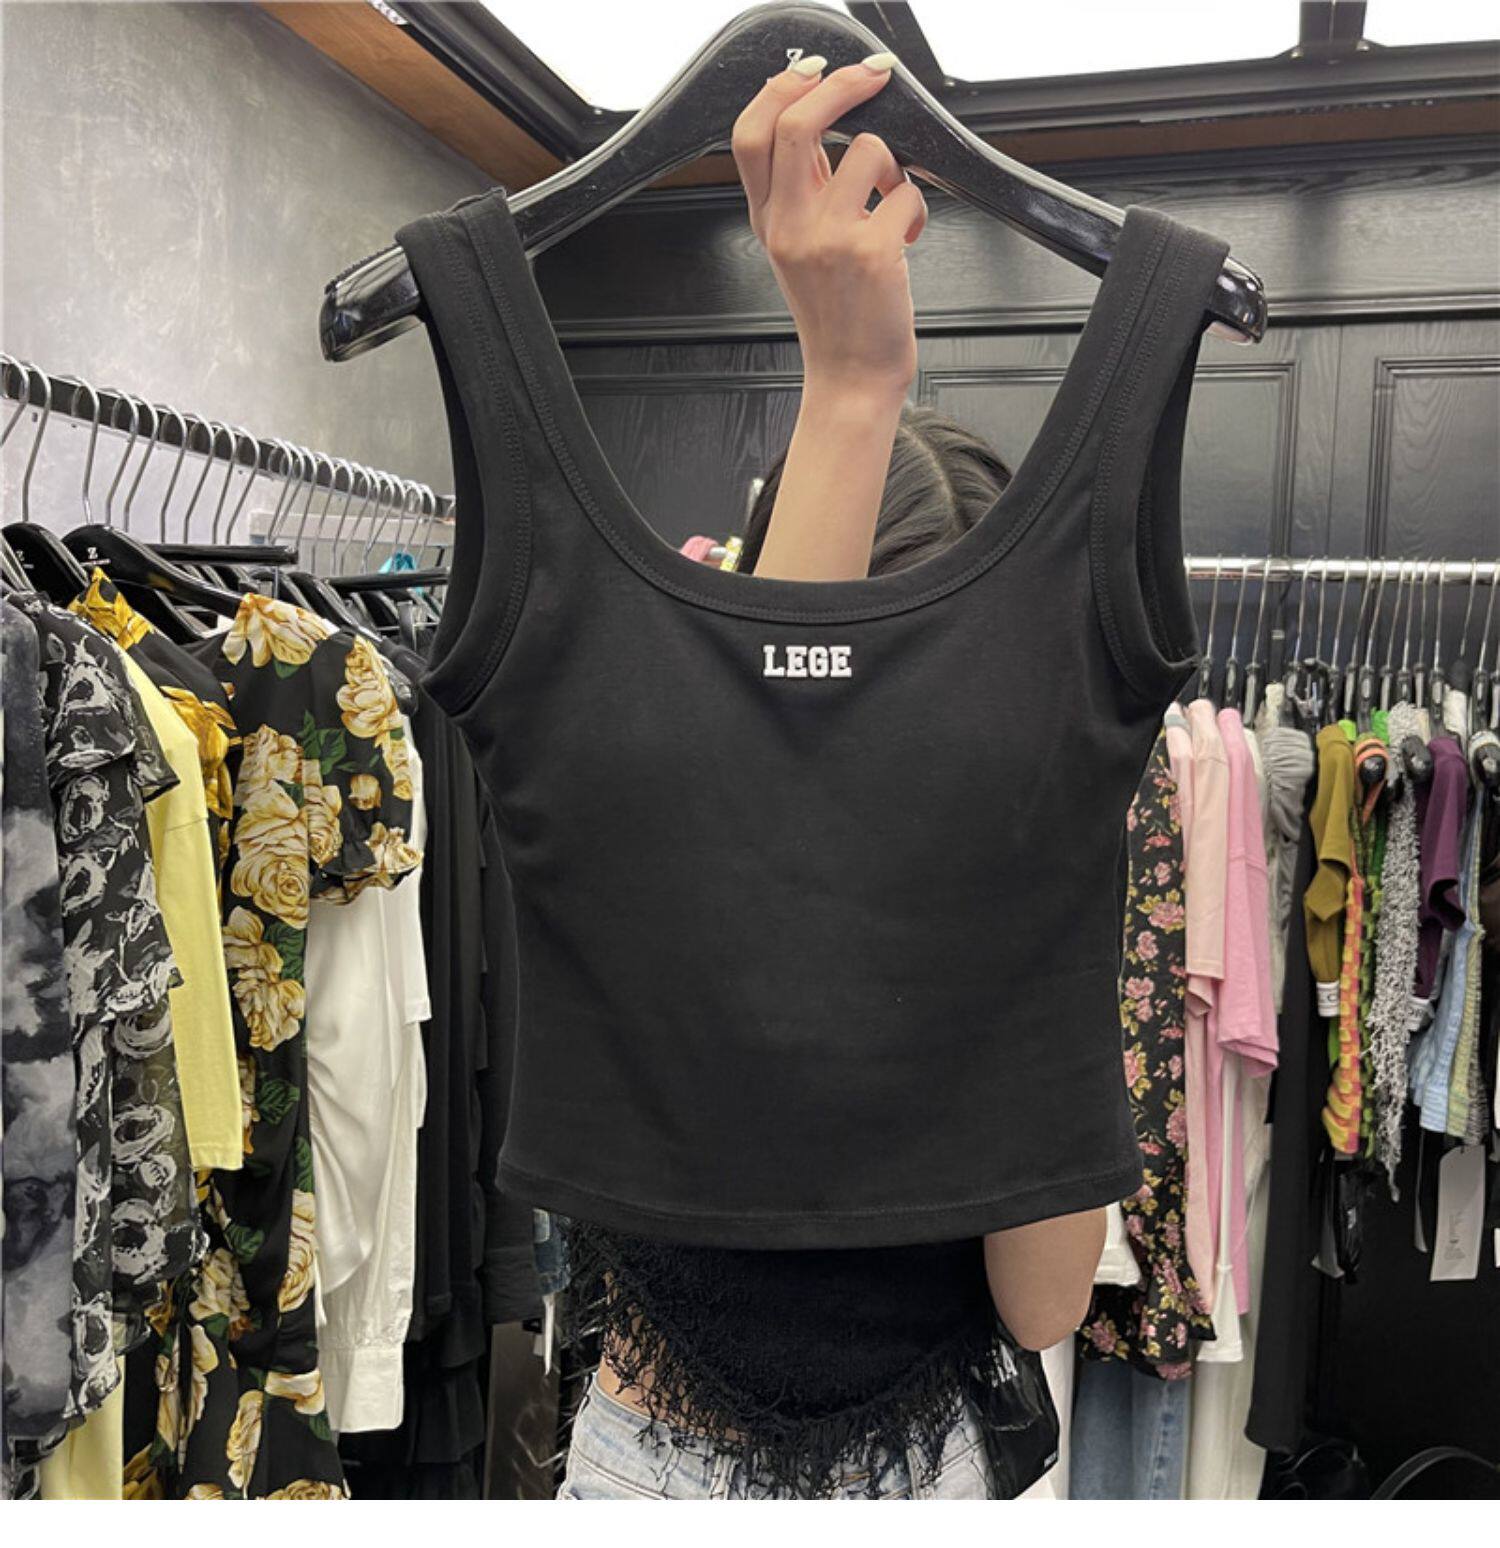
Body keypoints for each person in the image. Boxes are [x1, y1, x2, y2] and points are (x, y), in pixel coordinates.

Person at [556, 54, 1114, 1503]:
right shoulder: (666, 791)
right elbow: (767, 760)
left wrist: (1023, 907)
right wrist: (852, 395)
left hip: (925, 1467)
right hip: (661, 1466)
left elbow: (1044, 1305)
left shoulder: (1018, 867)